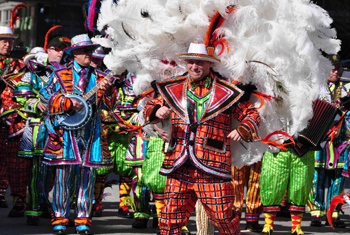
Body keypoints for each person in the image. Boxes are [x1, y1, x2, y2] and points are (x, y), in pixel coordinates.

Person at [143, 42, 261, 235]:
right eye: (190, 62)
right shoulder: (174, 88)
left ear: (209, 65)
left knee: (224, 220)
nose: (194, 66)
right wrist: (157, 110)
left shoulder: (227, 91)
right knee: (168, 219)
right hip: (178, 164)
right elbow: (150, 107)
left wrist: (244, 129)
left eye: (199, 62)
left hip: (212, 166)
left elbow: (252, 114)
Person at [40, 34, 115, 235]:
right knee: (63, 178)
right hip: (65, 133)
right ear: (75, 54)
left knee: (87, 177)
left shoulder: (101, 76)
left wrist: (108, 93)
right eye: (85, 51)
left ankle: (83, 219)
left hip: (91, 134)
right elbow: (45, 96)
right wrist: (65, 103)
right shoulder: (60, 74)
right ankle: (60, 219)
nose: (90, 54)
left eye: (91, 51)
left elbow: (109, 106)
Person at [15, 31, 71, 225]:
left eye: (64, 50)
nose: (61, 53)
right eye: (58, 50)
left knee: (55, 170)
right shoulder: (35, 70)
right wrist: (34, 101)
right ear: (49, 50)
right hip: (37, 126)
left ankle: (47, 203)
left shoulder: (67, 70)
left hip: (59, 127)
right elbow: (21, 93)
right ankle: (33, 208)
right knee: (36, 169)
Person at [307, 54, 348, 228]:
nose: (335, 71)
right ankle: (316, 213)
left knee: (337, 178)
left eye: (338, 67)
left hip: (340, 142)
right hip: (320, 139)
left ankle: (334, 213)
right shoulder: (315, 88)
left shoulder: (347, 88)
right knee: (317, 175)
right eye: (332, 67)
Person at [0, 26, 28, 217]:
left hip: (11, 118)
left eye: (9, 41)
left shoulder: (19, 66)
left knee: (11, 160)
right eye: (3, 40)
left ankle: (17, 198)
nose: (7, 44)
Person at [231, 161, 263, 232]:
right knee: (253, 181)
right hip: (247, 151)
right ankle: (249, 220)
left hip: (251, 151)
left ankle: (248, 220)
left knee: (254, 180)